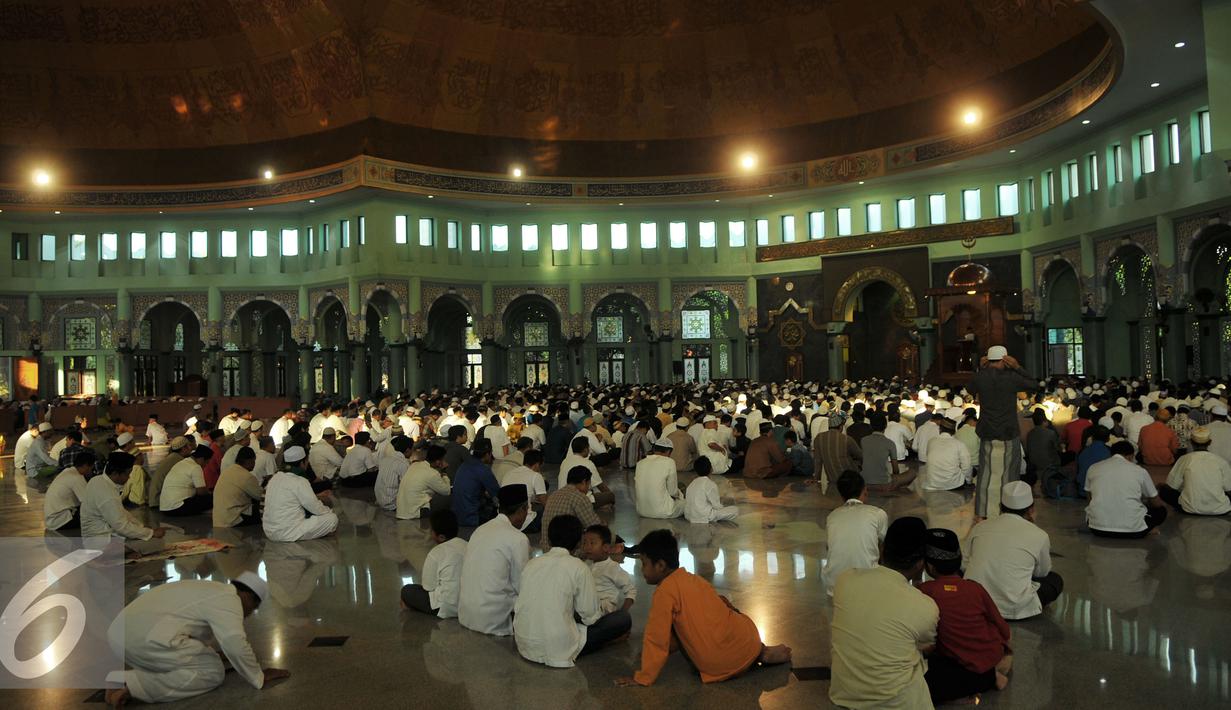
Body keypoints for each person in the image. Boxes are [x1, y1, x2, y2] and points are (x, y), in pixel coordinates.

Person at [616, 529, 791, 687]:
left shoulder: (664, 592)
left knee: (672, 624)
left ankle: (752, 655)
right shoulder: (695, 580)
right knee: (723, 604)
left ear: (660, 566)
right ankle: (760, 652)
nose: (641, 570)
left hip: (716, 664)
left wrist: (644, 676)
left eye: (644, 564)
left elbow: (657, 638)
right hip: (748, 642)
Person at [104, 572, 288, 706]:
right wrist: (259, 676)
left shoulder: (211, 589)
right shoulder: (229, 600)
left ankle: (121, 679)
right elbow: (234, 643)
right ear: (248, 597)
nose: (249, 614)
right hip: (144, 640)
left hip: (121, 636)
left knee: (208, 659)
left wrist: (214, 653)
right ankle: (129, 685)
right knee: (212, 671)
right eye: (253, 608)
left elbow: (186, 628)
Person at [830, 517, 938, 709]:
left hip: (845, 699)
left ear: (881, 550)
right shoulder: (925, 606)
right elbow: (927, 644)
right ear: (920, 564)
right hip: (899, 704)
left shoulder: (845, 581)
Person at [514, 515, 631, 667]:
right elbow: (591, 617)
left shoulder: (532, 563)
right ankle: (605, 642)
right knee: (622, 618)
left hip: (524, 644)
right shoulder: (579, 567)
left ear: (549, 540)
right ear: (578, 543)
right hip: (558, 649)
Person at [918, 528, 1011, 704]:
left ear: (928, 566)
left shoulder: (925, 591)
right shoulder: (975, 588)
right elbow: (1003, 628)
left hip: (966, 667)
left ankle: (989, 679)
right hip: (993, 655)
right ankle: (992, 673)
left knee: (921, 679)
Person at [965, 481, 1063, 620]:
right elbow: (1042, 572)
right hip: (1013, 609)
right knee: (1055, 580)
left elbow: (964, 564)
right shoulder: (1040, 535)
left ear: (1000, 507)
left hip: (976, 602)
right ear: (1031, 510)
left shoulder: (980, 527)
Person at [966, 346, 1034, 519]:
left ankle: (982, 512)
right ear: (1005, 360)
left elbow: (969, 388)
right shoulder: (1012, 377)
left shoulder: (981, 376)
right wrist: (1018, 366)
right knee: (1008, 473)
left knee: (986, 473)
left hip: (987, 431)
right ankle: (1007, 511)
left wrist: (981, 368)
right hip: (1008, 431)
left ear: (987, 360)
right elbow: (1034, 384)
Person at [458, 485, 532, 636]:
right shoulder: (518, 539)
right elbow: (523, 586)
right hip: (495, 621)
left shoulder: (480, 530)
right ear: (521, 510)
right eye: (527, 510)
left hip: (466, 615)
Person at [822, 471, 889, 596]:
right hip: (867, 585)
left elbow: (829, 548)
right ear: (865, 490)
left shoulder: (832, 516)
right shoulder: (878, 513)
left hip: (834, 586)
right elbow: (884, 548)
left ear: (841, 496)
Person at [1085, 440, 1168, 538]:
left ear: (1112, 454)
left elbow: (1089, 498)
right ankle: (1147, 529)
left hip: (1097, 529)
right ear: (1131, 456)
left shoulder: (1093, 467)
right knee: (1161, 511)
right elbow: (1155, 501)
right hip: (1134, 531)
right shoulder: (1139, 471)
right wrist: (1164, 505)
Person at [80, 452, 167, 541]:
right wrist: (151, 533)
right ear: (115, 473)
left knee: (142, 537)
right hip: (100, 541)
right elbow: (121, 526)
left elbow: (122, 513)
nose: (129, 477)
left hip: (99, 536)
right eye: (127, 474)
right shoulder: (108, 494)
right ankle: (124, 551)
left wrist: (142, 527)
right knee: (156, 543)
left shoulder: (97, 480)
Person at [400, 510, 467, 619]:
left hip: (445, 607)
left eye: (431, 531)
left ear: (441, 537)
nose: (429, 534)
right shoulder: (466, 545)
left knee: (407, 591)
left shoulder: (435, 553)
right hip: (467, 604)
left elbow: (428, 587)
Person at [262, 452, 338, 542]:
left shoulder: (275, 478)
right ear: (302, 463)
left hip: (269, 531)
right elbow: (315, 508)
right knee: (332, 519)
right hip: (287, 532)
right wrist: (328, 511)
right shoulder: (300, 481)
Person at [1159, 426, 1231, 515]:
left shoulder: (1184, 459)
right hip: (1220, 509)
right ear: (1210, 442)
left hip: (1190, 509)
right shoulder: (1221, 461)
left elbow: (1172, 486)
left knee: (1162, 490)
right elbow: (1229, 489)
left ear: (1191, 442)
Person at [540, 466, 602, 551]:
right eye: (589, 484)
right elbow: (595, 527)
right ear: (584, 482)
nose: (588, 488)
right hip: (569, 552)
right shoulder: (580, 498)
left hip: (547, 550)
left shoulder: (553, 495)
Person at [580, 524, 637, 614]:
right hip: (586, 605)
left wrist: (623, 612)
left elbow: (631, 590)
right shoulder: (585, 564)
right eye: (584, 543)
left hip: (604, 608)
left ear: (605, 547)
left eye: (592, 543)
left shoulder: (612, 567)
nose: (587, 547)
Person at [452, 438, 502, 527]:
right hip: (472, 518)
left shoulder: (464, 465)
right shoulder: (482, 469)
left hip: (456, 516)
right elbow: (498, 493)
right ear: (487, 454)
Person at [861, 411, 915, 493]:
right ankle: (894, 487)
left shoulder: (863, 440)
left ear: (871, 426)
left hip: (865, 483)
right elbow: (895, 470)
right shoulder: (889, 443)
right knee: (912, 472)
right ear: (885, 426)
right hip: (884, 484)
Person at [396, 442, 453, 519]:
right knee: (448, 498)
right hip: (414, 512)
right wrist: (444, 472)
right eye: (443, 459)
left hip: (401, 511)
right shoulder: (432, 473)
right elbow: (446, 491)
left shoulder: (414, 465)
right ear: (438, 462)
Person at [44, 450, 96, 531]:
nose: (90, 472)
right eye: (91, 469)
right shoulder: (77, 477)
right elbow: (88, 503)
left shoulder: (67, 471)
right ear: (86, 466)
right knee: (96, 517)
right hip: (61, 521)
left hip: (51, 520)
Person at [212, 446, 263, 528]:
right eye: (254, 461)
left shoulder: (227, 471)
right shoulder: (246, 476)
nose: (254, 464)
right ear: (249, 461)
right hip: (234, 519)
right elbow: (261, 496)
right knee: (266, 507)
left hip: (219, 518)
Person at [634, 438, 685, 519]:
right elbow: (672, 492)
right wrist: (680, 495)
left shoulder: (640, 463)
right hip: (663, 512)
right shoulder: (669, 462)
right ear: (668, 451)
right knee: (685, 502)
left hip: (641, 511)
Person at [923, 411, 972, 491]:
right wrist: (968, 481)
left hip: (932, 483)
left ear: (940, 429)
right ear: (954, 431)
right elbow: (967, 466)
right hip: (953, 485)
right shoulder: (959, 444)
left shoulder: (931, 441)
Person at [160, 445, 214, 516]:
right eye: (207, 462)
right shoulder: (196, 467)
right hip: (178, 507)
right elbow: (201, 492)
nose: (206, 465)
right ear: (202, 459)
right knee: (213, 498)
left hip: (165, 508)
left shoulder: (183, 462)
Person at [685, 457, 739, 524]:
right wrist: (722, 505)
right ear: (711, 469)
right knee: (735, 510)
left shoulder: (691, 483)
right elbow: (716, 506)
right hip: (704, 516)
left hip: (689, 516)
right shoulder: (710, 484)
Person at [813, 423, 862, 489]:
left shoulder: (819, 438)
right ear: (841, 427)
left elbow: (818, 461)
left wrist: (816, 479)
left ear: (829, 426)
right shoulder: (847, 439)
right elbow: (860, 455)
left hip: (832, 479)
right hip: (850, 479)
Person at [1024, 409, 1060, 489]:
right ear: (1044, 421)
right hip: (1048, 463)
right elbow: (1057, 448)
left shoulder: (1030, 433)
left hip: (1033, 463)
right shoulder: (1051, 433)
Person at [1077, 424, 1112, 493]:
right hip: (1099, 491)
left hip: (1082, 489)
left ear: (1092, 437)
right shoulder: (1108, 452)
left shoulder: (1083, 451)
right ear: (1108, 439)